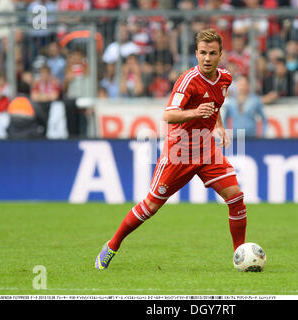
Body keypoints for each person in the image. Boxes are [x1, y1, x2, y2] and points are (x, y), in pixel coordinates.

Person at [95, 29, 247, 270]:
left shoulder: (225, 78)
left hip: (206, 148)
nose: (207, 58)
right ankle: (112, 245)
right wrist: (195, 113)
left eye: (212, 53)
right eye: (203, 53)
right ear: (196, 54)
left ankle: (241, 256)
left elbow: (215, 105)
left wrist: (218, 126)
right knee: (151, 206)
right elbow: (169, 115)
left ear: (221, 55)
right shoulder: (188, 80)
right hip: (180, 151)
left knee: (236, 198)